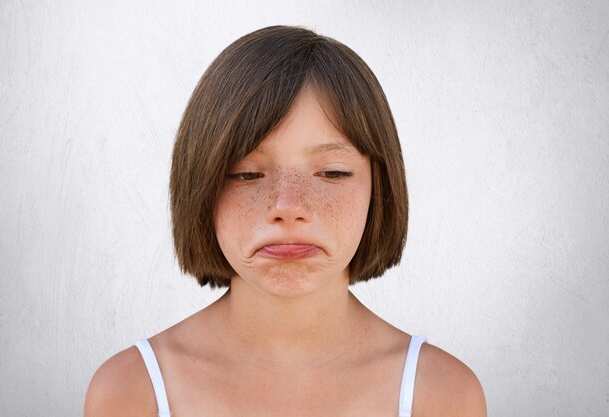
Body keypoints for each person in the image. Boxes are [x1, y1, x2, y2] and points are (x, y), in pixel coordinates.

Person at [84, 25, 486, 417]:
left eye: (332, 172)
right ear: (200, 184)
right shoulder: (131, 390)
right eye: (247, 174)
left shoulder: (442, 395)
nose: (288, 206)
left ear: (380, 187)